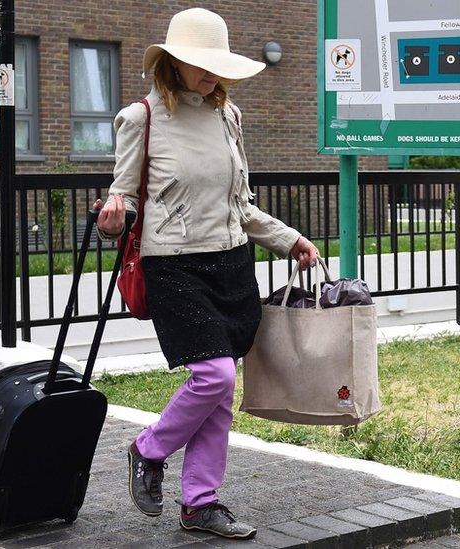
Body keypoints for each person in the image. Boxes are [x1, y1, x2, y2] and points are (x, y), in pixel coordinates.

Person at [93, 7, 319, 541]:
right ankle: (147, 448)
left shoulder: (228, 118)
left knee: (219, 393)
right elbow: (121, 197)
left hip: (231, 264)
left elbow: (241, 205)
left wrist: (289, 240)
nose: (210, 74)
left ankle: (200, 503)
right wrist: (112, 215)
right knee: (214, 375)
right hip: (173, 264)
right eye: (200, 64)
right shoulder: (140, 119)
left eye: (216, 64)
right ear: (172, 63)